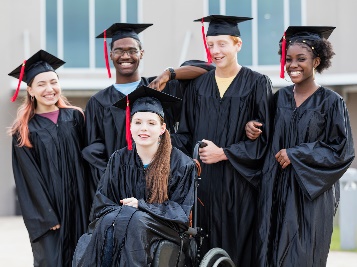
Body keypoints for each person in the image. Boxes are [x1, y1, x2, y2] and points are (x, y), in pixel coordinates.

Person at [168, 15, 273, 266]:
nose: (215, 51)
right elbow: (185, 134)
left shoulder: (257, 83)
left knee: (239, 250)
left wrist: (224, 153)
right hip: (203, 188)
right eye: (211, 44)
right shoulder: (198, 87)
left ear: (238, 44)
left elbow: (266, 138)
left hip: (240, 188)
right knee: (203, 249)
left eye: (222, 44)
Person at [246, 26, 355, 266]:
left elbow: (342, 151)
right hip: (275, 189)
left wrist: (296, 154)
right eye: (288, 59)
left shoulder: (331, 102)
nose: (292, 65)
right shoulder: (279, 99)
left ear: (317, 61)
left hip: (309, 195)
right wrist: (252, 127)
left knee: (303, 255)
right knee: (270, 251)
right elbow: (266, 134)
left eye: (301, 59)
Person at [83, 23, 213, 201]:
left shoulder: (160, 86)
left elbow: (207, 69)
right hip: (121, 190)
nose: (126, 56)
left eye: (132, 50)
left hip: (161, 186)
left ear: (141, 53)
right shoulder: (98, 102)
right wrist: (115, 184)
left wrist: (169, 74)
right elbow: (93, 151)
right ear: (110, 54)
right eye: (119, 51)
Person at [75, 86, 196, 266]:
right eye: (138, 122)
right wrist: (126, 212)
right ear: (130, 126)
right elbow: (102, 203)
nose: (143, 128)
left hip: (165, 229)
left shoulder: (181, 163)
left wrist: (141, 206)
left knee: (136, 220)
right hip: (124, 223)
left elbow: (180, 213)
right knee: (106, 223)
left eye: (151, 123)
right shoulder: (118, 159)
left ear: (162, 128)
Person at [8, 50, 89, 267]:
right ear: (30, 90)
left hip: (80, 206)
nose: (49, 89)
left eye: (53, 82)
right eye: (41, 84)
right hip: (51, 217)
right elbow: (28, 177)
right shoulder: (25, 129)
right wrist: (46, 215)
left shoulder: (75, 117)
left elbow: (89, 162)